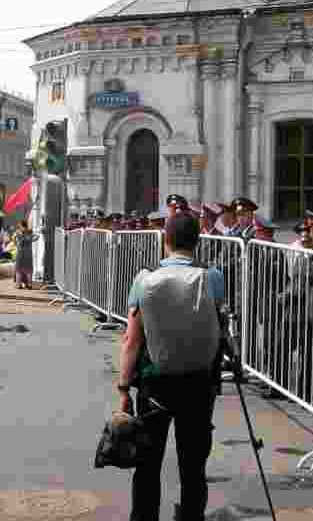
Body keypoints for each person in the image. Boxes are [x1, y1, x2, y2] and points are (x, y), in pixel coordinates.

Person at [119, 213, 225, 521]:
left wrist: (123, 388)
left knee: (147, 465)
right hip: (198, 382)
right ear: (197, 241)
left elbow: (132, 339)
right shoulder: (213, 277)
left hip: (155, 383)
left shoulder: (144, 278)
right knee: (193, 467)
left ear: (165, 240)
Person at [15, 219, 38, 289]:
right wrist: (32, 239)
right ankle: (29, 285)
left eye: (19, 225)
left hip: (20, 252)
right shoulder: (29, 232)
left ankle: (18, 284)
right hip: (28, 253)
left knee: (19, 269)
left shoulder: (18, 232)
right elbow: (36, 237)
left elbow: (17, 240)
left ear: (22, 225)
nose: (18, 227)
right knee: (29, 269)